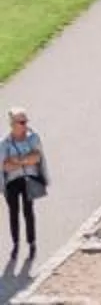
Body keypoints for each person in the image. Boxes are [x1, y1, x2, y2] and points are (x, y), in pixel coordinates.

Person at [2, 107, 43, 264]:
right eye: (21, 122)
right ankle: (15, 244)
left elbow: (37, 157)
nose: (25, 124)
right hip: (12, 182)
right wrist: (25, 160)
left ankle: (32, 243)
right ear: (13, 124)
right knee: (13, 213)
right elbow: (4, 166)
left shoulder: (32, 138)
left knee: (28, 211)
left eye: (26, 121)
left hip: (28, 180)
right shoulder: (5, 143)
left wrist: (17, 161)